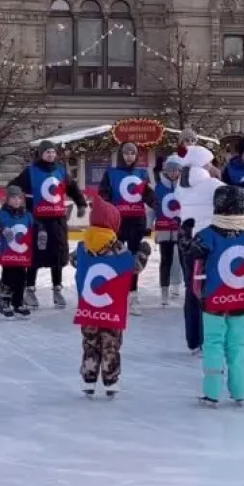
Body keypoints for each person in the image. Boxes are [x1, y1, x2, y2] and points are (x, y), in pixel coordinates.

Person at [188, 184, 244, 407]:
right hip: (243, 297)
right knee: (238, 345)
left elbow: (191, 252)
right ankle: (239, 391)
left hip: (214, 298)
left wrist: (186, 233)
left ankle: (212, 392)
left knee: (213, 342)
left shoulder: (207, 235)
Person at [71, 195, 151, 397]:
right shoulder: (117, 249)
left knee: (90, 344)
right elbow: (134, 267)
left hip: (88, 306)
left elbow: (74, 261)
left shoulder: (82, 245)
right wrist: (143, 252)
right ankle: (111, 381)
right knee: (110, 344)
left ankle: (88, 381)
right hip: (111, 309)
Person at [9, 141, 87, 309]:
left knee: (57, 256)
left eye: (52, 152)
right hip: (37, 220)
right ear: (40, 154)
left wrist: (81, 204)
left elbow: (73, 189)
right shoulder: (30, 172)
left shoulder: (61, 170)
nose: (50, 155)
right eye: (47, 152)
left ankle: (57, 289)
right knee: (35, 257)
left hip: (58, 220)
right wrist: (18, 204)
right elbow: (13, 187)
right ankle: (30, 289)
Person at [98, 142, 154, 315]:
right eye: (126, 153)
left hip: (137, 221)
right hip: (118, 223)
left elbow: (148, 195)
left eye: (132, 153)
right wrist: (105, 206)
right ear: (121, 155)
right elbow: (104, 194)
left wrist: (160, 206)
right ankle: (116, 293)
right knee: (116, 257)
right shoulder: (111, 173)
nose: (129, 156)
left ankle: (132, 294)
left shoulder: (142, 173)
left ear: (136, 155)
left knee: (134, 259)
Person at [0, 185, 34, 318]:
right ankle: (4, 301)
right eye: (13, 197)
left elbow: (35, 226)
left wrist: (42, 232)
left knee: (21, 277)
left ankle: (18, 302)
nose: (16, 200)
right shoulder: (2, 214)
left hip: (22, 254)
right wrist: (3, 228)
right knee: (8, 276)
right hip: (8, 253)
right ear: (7, 199)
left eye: (19, 198)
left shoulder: (27, 214)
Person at [153, 154, 183, 306]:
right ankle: (164, 290)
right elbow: (153, 208)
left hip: (181, 230)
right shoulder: (159, 187)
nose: (172, 173)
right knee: (166, 260)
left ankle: (181, 287)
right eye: (170, 170)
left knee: (184, 260)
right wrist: (150, 225)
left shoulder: (184, 186)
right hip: (164, 229)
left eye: (175, 170)